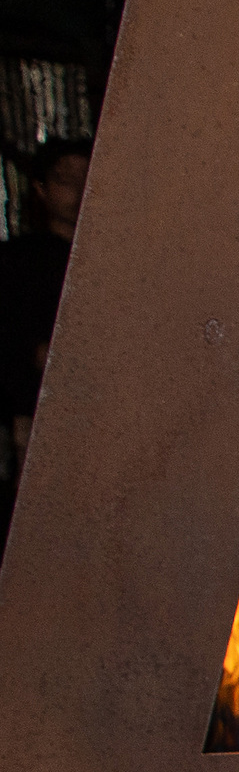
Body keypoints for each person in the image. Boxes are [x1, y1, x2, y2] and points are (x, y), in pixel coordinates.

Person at [1, 136, 92, 539]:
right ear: (40, 188)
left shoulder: (119, 260)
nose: (79, 190)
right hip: (38, 417)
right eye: (65, 180)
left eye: (87, 177)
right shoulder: (17, 260)